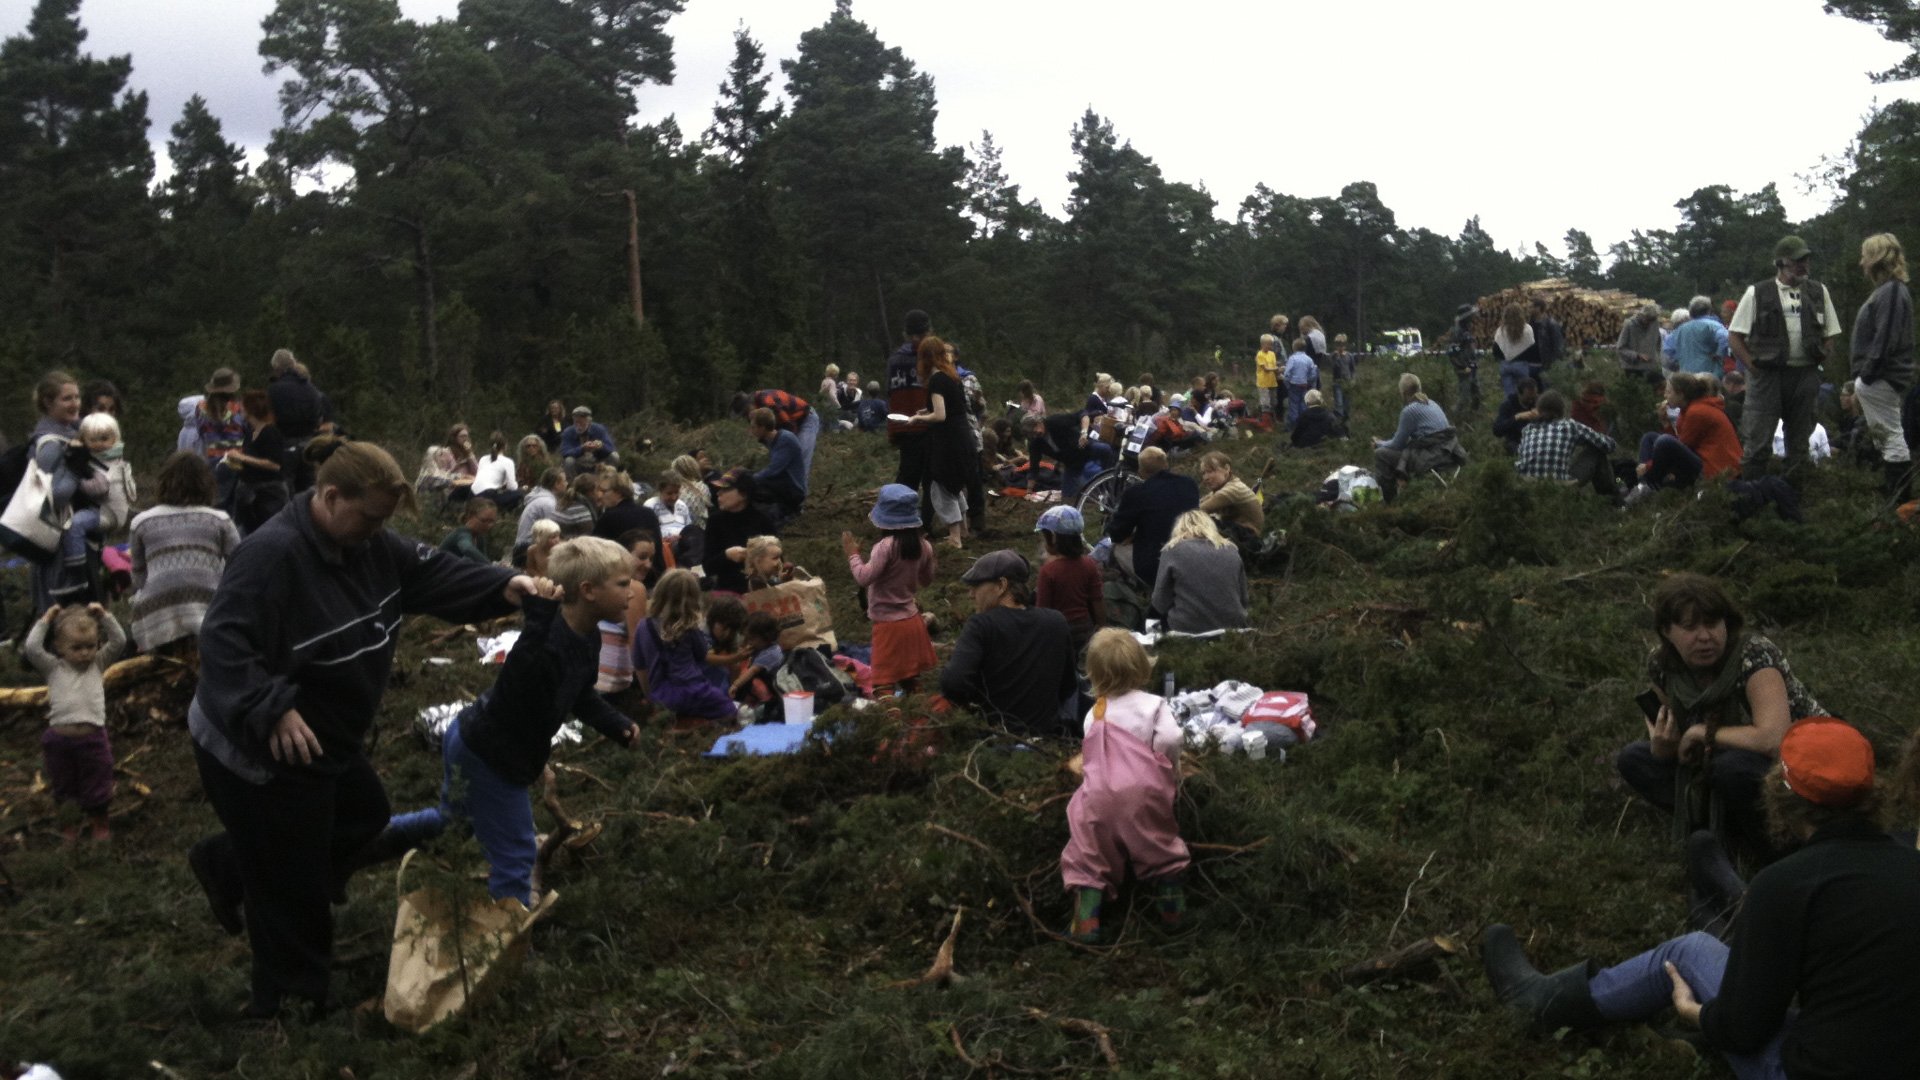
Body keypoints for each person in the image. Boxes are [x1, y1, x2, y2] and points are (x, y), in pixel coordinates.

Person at [185, 437, 551, 1019]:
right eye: (371, 516)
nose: (379, 529)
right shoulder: (272, 555)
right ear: (331, 497)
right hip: (257, 743)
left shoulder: (371, 544)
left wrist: (503, 587)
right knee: (292, 880)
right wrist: (269, 707)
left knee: (364, 816)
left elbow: (430, 572)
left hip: (326, 736)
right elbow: (224, 641)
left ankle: (231, 862)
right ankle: (289, 1002)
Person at [1484, 718, 1920, 1080]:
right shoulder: (1908, 860)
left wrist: (1696, 1014)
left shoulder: (1786, 883)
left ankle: (1541, 1003)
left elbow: (1744, 1031)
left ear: (1780, 796)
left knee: (1691, 950)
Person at [371, 537, 639, 902]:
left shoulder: (588, 637)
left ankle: (369, 841)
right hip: (491, 758)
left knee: (453, 821)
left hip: (473, 740)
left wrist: (616, 724)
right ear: (588, 590)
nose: (633, 591)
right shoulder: (545, 639)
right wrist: (537, 620)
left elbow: (580, 694)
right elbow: (519, 675)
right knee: (515, 858)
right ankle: (506, 941)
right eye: (623, 583)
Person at [1615, 574, 1826, 861]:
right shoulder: (1663, 665)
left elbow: (1775, 739)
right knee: (1634, 758)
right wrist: (1664, 746)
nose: (1705, 637)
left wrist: (1702, 732)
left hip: (1801, 765)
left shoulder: (1753, 655)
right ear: (1667, 630)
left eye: (1713, 624)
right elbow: (1667, 724)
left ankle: (1776, 852)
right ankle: (1723, 832)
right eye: (1690, 627)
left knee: (1731, 767)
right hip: (1715, 759)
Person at [1061, 628, 1189, 944]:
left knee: (1088, 853)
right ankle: (1172, 913)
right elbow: (1172, 738)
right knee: (1158, 847)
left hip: (1098, 797)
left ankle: (1086, 923)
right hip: (1142, 794)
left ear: (1094, 675)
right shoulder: (1153, 705)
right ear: (1141, 667)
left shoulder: (1095, 713)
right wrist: (1166, 765)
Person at [1729, 235, 1843, 474]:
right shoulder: (1757, 293)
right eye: (1797, 260)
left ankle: (1794, 499)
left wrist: (1824, 356)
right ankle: (1754, 499)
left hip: (1805, 375)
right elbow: (1735, 336)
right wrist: (1753, 367)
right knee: (1758, 443)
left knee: (1800, 444)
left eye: (1806, 260)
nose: (1804, 265)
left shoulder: (1818, 291)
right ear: (1781, 263)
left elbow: (1831, 332)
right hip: (1767, 377)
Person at [939, 550, 1079, 737]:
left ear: (1001, 585)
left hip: (996, 739)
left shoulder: (981, 625)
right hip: (1049, 737)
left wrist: (972, 707)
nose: (971, 594)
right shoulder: (1056, 621)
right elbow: (1069, 684)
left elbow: (953, 682)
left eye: (976, 586)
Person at [25, 603, 127, 843]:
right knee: (64, 785)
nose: (84, 653)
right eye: (76, 647)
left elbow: (119, 642)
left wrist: (105, 616)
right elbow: (31, 648)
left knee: (98, 782)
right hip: (59, 740)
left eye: (90, 646)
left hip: (93, 739)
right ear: (59, 647)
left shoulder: (98, 664)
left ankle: (99, 824)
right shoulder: (53, 668)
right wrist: (46, 619)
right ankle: (69, 826)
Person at [128, 453, 241, 654]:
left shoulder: (142, 522)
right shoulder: (220, 520)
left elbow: (138, 576)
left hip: (158, 607)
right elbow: (239, 565)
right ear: (206, 484)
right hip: (209, 604)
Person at [842, 484, 938, 695]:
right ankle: (922, 719)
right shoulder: (924, 546)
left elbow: (863, 578)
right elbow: (926, 580)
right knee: (910, 678)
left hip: (888, 625)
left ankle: (891, 725)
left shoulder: (885, 547)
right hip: (913, 621)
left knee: (882, 684)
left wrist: (853, 555)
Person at [1850, 232, 1914, 501]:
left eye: (1865, 255)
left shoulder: (1891, 291)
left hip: (1882, 376)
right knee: (1887, 438)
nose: (1861, 261)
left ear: (1876, 258)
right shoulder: (1889, 290)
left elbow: (1885, 337)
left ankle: (1899, 501)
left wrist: (1867, 374)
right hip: (1881, 376)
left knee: (1891, 438)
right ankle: (1894, 495)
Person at [632, 569, 738, 725]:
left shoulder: (643, 626)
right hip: (693, 690)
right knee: (730, 712)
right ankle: (700, 730)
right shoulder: (690, 627)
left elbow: (640, 666)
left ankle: (680, 730)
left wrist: (651, 696)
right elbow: (702, 655)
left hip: (661, 693)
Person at [23, 372, 84, 611]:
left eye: (77, 397)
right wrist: (75, 471)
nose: (75, 404)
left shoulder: (71, 432)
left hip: (65, 536)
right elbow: (54, 496)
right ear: (49, 403)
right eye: (67, 398)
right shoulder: (49, 443)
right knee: (58, 610)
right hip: (54, 541)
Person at [1629, 373, 1742, 494]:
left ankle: (1649, 485)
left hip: (1718, 470)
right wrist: (1666, 423)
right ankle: (1643, 484)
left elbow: (1681, 445)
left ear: (1681, 394)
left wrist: (1648, 466)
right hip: (1705, 459)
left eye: (1669, 392)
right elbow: (1681, 442)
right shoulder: (1688, 410)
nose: (1665, 395)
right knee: (1650, 437)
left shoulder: (1696, 412)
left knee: (1664, 441)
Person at [1106, 446, 1200, 592]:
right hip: (1191, 558)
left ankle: (1135, 590)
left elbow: (1117, 534)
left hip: (1157, 565)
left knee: (1116, 549)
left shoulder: (1137, 493)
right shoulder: (1189, 484)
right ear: (1166, 464)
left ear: (1141, 471)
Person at [909, 336, 973, 548]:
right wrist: (926, 410)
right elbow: (953, 407)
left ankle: (954, 538)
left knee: (941, 486)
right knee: (955, 485)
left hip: (949, 441)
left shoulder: (936, 379)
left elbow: (941, 415)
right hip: (963, 436)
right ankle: (963, 530)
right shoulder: (952, 376)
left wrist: (919, 418)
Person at [1151, 510, 1250, 635]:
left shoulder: (1172, 550)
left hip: (1186, 626)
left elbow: (1160, 602)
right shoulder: (1231, 549)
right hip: (1233, 625)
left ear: (1179, 528)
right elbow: (1244, 599)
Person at [1373, 373, 1462, 503]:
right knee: (1406, 449)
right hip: (1450, 454)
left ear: (1402, 393)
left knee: (1381, 454)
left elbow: (1397, 444)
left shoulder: (1410, 411)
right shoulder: (1432, 403)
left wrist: (1379, 443)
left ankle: (1390, 502)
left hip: (1432, 458)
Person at [1513, 390, 1618, 498]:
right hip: (1558, 487)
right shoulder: (1569, 426)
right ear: (1561, 410)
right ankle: (1612, 500)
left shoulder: (1528, 429)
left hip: (1528, 487)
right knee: (1596, 452)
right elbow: (1608, 445)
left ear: (1539, 409)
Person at [1034, 504, 1104, 654]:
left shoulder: (1048, 571)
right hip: (1085, 629)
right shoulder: (1089, 564)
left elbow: (1043, 611)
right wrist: (1103, 630)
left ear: (1053, 537)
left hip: (1058, 632)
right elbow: (1096, 600)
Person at [266, 350, 330, 492]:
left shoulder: (274, 390)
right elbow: (318, 417)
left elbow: (268, 419)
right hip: (309, 445)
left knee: (284, 488)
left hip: (285, 444)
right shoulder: (311, 389)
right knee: (309, 488)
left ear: (276, 368)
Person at [226, 390, 288, 536]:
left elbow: (274, 464)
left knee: (269, 532)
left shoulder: (270, 432)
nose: (240, 409)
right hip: (248, 491)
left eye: (243, 406)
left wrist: (243, 459)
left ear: (251, 409)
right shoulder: (250, 432)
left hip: (268, 493)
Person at [736, 388, 821, 492]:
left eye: (745, 412)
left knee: (801, 461)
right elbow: (764, 434)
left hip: (805, 419)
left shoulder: (768, 401)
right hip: (789, 424)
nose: (746, 416)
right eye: (744, 415)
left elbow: (789, 426)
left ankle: (799, 501)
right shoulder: (754, 413)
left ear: (750, 404)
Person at [703, 468, 772, 594]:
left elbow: (777, 560)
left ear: (743, 494)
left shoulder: (762, 520)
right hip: (728, 594)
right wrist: (726, 555)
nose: (719, 493)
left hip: (760, 593)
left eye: (725, 489)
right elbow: (706, 567)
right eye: (719, 489)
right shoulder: (715, 521)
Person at [888, 310, 935, 493]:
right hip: (928, 424)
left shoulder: (894, 359)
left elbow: (891, 393)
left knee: (907, 476)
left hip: (904, 426)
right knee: (931, 478)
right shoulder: (932, 357)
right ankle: (924, 520)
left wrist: (893, 429)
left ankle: (901, 517)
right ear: (929, 331)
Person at [1022, 411, 1111, 503]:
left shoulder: (1055, 421)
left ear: (1040, 422)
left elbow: (1083, 415)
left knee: (1105, 449)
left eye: (1035, 430)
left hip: (1085, 449)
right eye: (1032, 434)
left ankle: (1111, 479)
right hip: (1072, 464)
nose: (1035, 434)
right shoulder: (1035, 443)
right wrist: (1029, 490)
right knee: (1067, 498)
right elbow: (1034, 466)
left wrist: (1084, 433)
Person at [747, 407, 807, 522]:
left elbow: (773, 470)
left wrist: (750, 478)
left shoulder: (785, 440)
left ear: (762, 427)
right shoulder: (775, 440)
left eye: (753, 427)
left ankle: (789, 510)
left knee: (754, 486)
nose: (751, 431)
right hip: (786, 485)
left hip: (794, 490)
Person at [728, 611, 785, 716]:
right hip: (764, 680)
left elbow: (752, 671)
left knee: (754, 682)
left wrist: (735, 685)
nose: (749, 642)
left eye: (752, 639)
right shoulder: (763, 647)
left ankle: (764, 706)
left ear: (766, 637)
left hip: (771, 685)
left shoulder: (770, 653)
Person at [1197, 451, 1263, 536]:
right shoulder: (1225, 487)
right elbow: (1197, 504)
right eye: (1203, 473)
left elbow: (1198, 510)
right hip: (1236, 532)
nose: (1206, 477)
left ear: (1227, 469)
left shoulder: (1233, 489)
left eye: (1210, 471)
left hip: (1246, 536)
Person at [592, 470, 661, 546]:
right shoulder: (649, 513)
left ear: (618, 493)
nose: (600, 496)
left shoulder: (609, 517)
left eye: (604, 491)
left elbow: (594, 549)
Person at [1664, 296, 1731, 375]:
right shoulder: (1714, 325)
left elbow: (1668, 349)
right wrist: (1719, 354)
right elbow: (1726, 339)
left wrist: (1680, 358)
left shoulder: (1680, 329)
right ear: (1708, 310)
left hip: (1686, 374)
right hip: (1709, 373)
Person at [1493, 303, 1541, 398]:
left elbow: (1496, 351)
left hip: (1505, 365)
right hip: (1522, 365)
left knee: (1509, 397)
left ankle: (1510, 412)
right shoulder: (1527, 329)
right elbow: (1532, 349)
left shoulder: (1500, 330)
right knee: (1524, 395)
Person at [471, 431, 522, 512]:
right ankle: (503, 512)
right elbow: (512, 486)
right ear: (505, 446)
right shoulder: (507, 461)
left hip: (473, 493)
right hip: (488, 495)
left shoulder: (483, 459)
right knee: (519, 494)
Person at [559, 405, 617, 476]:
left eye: (581, 422)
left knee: (614, 456)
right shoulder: (568, 432)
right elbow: (565, 452)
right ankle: (572, 485)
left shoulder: (599, 429)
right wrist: (582, 448)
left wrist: (601, 446)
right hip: (578, 463)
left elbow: (611, 448)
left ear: (589, 421)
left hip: (597, 463)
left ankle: (608, 481)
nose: (578, 425)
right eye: (576, 422)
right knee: (568, 461)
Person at [1616, 303, 1666, 384]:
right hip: (1632, 369)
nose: (1649, 323)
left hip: (1650, 367)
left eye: (1652, 320)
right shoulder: (1629, 325)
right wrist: (1637, 355)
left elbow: (1658, 343)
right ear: (1642, 315)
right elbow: (1620, 348)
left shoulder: (1655, 323)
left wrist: (1657, 358)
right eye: (1648, 320)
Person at [439, 498, 499, 564]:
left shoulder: (479, 537)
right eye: (484, 521)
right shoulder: (462, 534)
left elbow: (482, 562)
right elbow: (467, 548)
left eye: (492, 521)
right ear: (470, 516)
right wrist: (490, 566)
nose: (489, 525)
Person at [1491, 379, 1542, 455]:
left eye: (1533, 397)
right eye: (1528, 398)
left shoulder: (1539, 402)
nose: (1531, 401)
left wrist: (1541, 416)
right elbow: (1497, 430)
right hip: (1516, 440)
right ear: (1519, 394)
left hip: (1536, 438)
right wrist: (1516, 418)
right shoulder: (1508, 405)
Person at [1448, 303, 1482, 409]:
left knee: (1476, 395)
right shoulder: (1458, 332)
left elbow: (1469, 348)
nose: (1473, 317)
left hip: (1471, 367)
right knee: (1464, 398)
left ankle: (1473, 418)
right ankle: (1457, 418)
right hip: (1464, 369)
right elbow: (1452, 352)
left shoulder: (1466, 330)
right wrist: (1462, 367)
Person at [645, 472, 690, 546]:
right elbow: (647, 535)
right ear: (660, 491)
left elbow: (688, 528)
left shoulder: (682, 506)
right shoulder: (651, 506)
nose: (674, 497)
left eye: (676, 492)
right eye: (669, 493)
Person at [1282, 338, 1316, 427]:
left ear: (1294, 348)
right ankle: (1303, 422)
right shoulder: (1309, 359)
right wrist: (1309, 382)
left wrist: (1287, 384)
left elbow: (1287, 373)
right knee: (1303, 403)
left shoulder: (1292, 359)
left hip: (1294, 385)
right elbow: (1313, 373)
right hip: (1304, 384)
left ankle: (1294, 423)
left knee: (1293, 404)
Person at [1529, 296, 1565, 379]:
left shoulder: (1551, 324)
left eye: (1531, 307)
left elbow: (1558, 346)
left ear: (1538, 308)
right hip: (1530, 364)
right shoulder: (1530, 324)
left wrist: (1554, 365)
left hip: (1545, 365)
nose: (1529, 309)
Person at [1328, 334, 1357, 419]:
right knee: (1339, 402)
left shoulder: (1349, 356)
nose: (1340, 347)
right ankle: (1339, 418)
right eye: (1338, 345)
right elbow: (1333, 367)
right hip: (1337, 382)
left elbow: (1353, 369)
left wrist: (1353, 379)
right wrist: (1337, 357)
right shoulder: (1333, 356)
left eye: (1342, 345)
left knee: (1347, 402)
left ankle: (1346, 418)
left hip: (1347, 382)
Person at [1254, 333, 1281, 423]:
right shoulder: (1260, 354)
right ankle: (1263, 419)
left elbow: (1274, 366)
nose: (1270, 346)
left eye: (1271, 344)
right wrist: (1276, 369)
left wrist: (1279, 370)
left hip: (1272, 382)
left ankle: (1273, 419)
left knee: (1274, 402)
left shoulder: (1272, 354)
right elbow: (1265, 369)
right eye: (1268, 344)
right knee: (1265, 402)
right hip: (1263, 383)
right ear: (1262, 344)